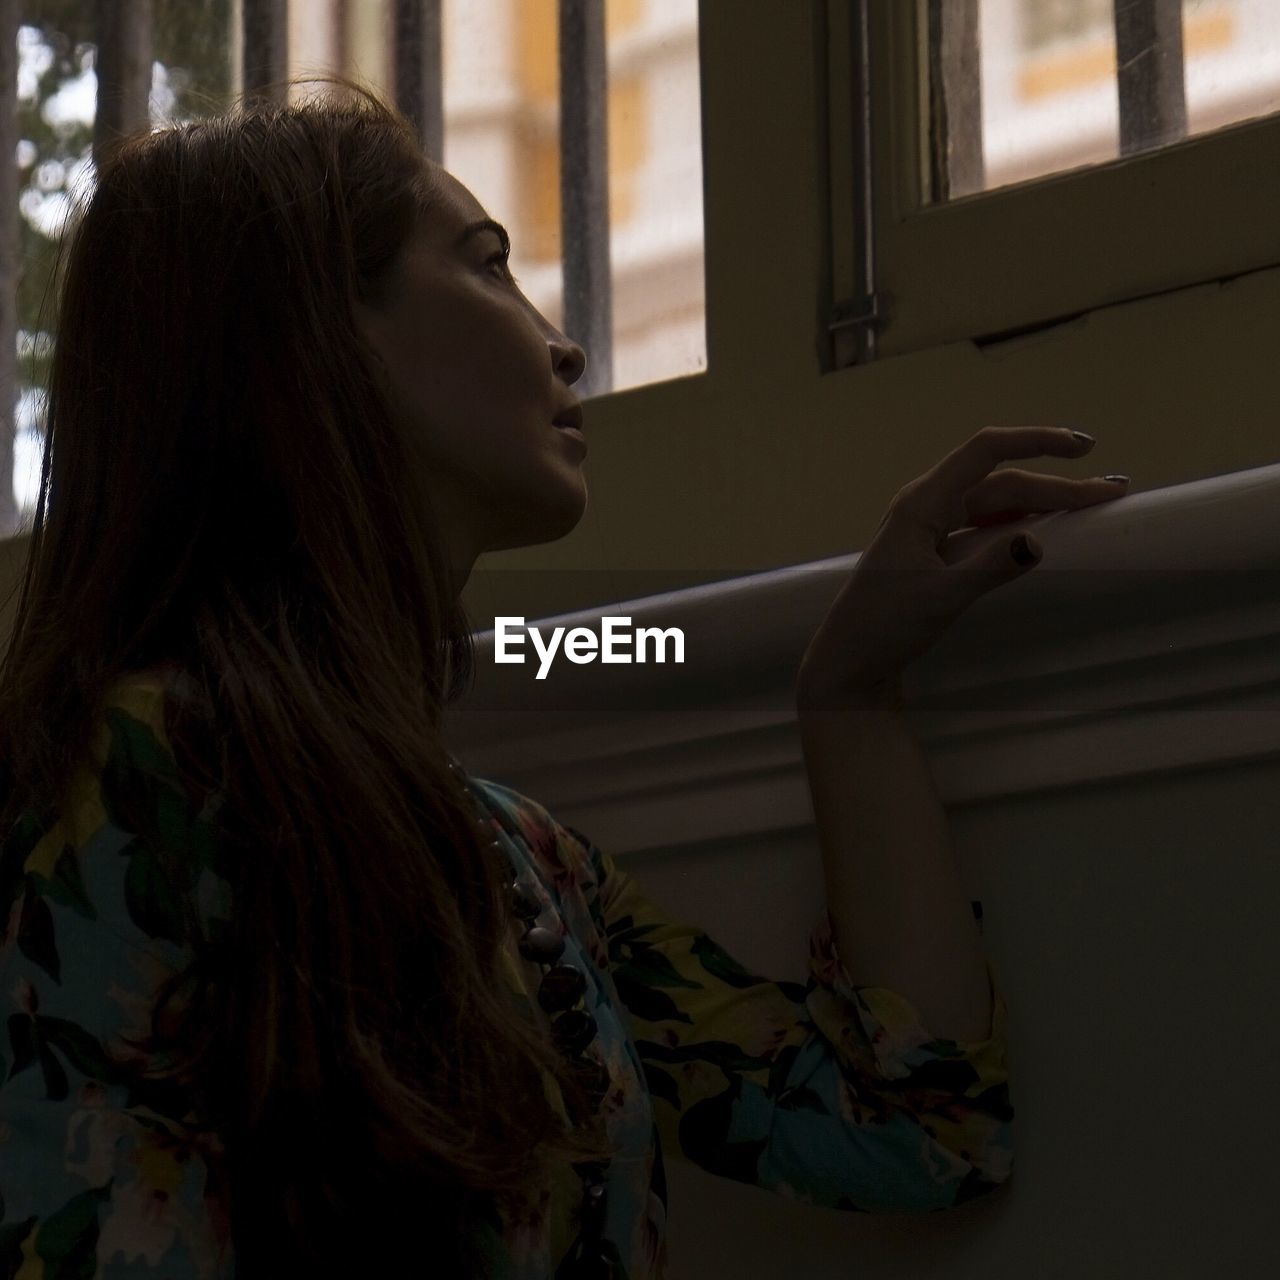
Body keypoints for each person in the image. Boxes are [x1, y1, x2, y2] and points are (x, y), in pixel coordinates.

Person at [0, 74, 1129, 1278]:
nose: (565, 340)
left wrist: (847, 697)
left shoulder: (522, 865)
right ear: (310, 333)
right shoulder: (126, 775)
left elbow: (916, 1131)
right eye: (485, 262)